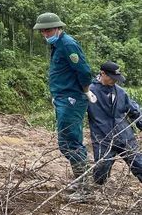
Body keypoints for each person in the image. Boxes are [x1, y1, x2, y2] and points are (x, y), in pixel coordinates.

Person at [33, 12, 94, 196]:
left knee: (72, 142)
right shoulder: (57, 45)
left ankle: (85, 189)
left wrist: (85, 90)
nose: (45, 34)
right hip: (62, 97)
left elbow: (83, 70)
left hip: (71, 99)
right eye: (43, 31)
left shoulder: (68, 44)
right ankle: (80, 181)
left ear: (58, 28)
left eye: (48, 30)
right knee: (65, 142)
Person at [87, 61, 142, 185]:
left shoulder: (121, 92)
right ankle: (98, 191)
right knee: (101, 170)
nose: (115, 81)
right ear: (102, 74)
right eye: (112, 78)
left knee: (139, 163)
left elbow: (135, 112)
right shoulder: (89, 91)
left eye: (117, 78)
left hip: (124, 136)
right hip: (102, 138)